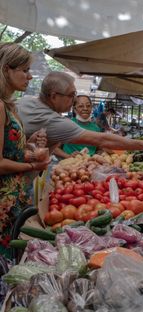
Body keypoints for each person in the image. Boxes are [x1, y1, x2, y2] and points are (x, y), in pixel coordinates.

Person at [17, 71, 143, 154]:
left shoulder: (25, 101)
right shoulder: (53, 121)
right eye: (71, 95)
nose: (74, 99)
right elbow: (102, 140)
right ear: (54, 96)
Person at [0, 43, 50, 258]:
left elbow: (11, 149)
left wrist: (29, 143)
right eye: (25, 70)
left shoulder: (9, 105)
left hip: (13, 200)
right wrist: (33, 165)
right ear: (6, 70)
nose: (29, 76)